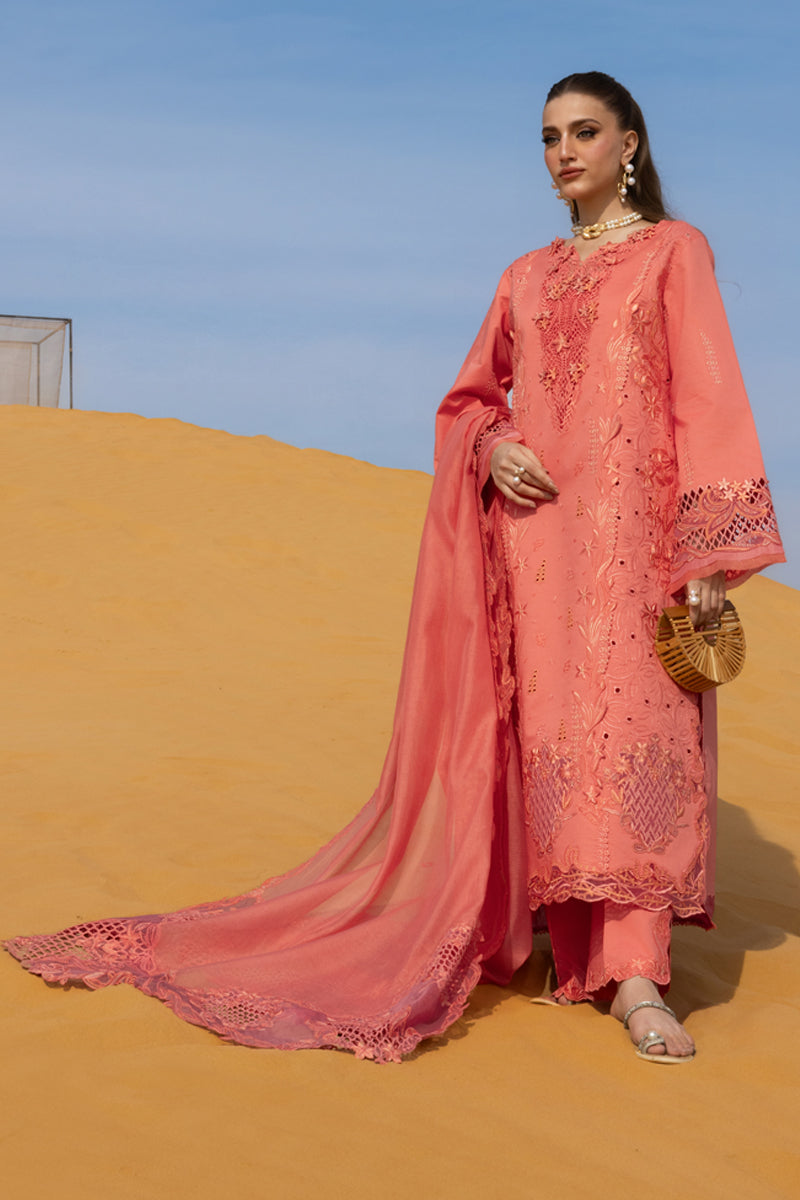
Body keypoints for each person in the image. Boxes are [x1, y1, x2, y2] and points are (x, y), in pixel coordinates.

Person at [4, 72, 784, 1064]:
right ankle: (562, 934)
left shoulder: (674, 252)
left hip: (637, 546)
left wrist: (708, 548)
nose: (563, 153)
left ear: (628, 143)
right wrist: (493, 447)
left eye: (584, 132)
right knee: (549, 741)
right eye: (548, 136)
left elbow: (707, 397)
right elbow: (467, 400)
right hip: (538, 551)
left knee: (637, 735)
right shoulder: (524, 276)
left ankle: (635, 973)